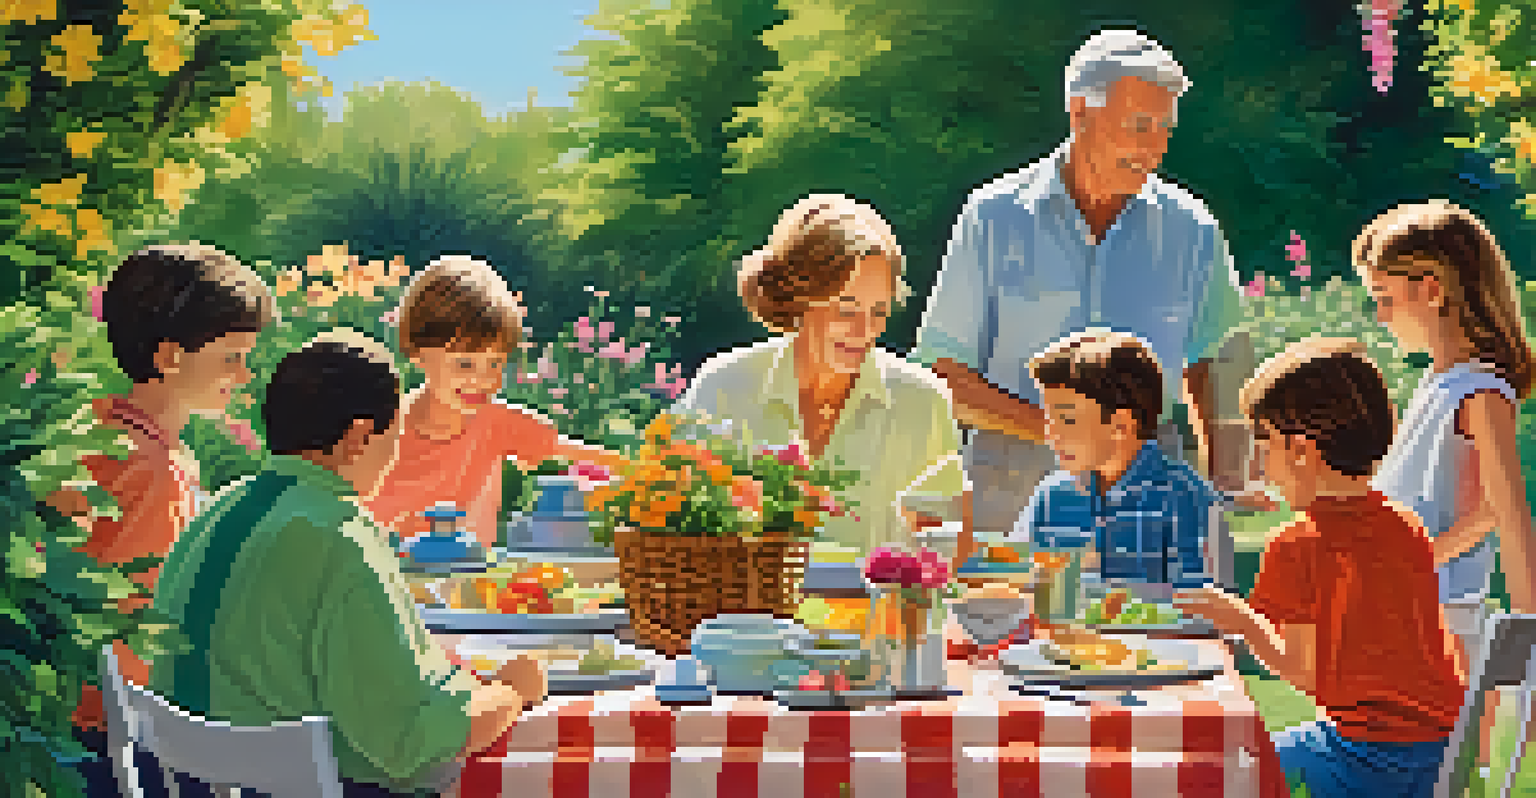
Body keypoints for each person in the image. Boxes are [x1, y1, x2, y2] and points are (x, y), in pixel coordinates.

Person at [152, 329, 545, 797]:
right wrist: (513, 692)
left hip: (198, 781)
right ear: (359, 438)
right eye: (394, 435)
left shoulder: (221, 507)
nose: (395, 453)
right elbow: (410, 739)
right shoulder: (342, 536)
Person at [912, 28, 1253, 541]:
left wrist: (1225, 479)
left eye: (1165, 130)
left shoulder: (1193, 229)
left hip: (1150, 506)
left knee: (1151, 623)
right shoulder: (993, 216)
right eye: (1139, 126)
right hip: (1009, 500)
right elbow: (943, 376)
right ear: (1079, 112)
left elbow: (1219, 371)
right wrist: (1064, 433)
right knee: (1006, 625)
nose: (1155, 148)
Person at [1177, 337, 1465, 798]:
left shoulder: (1296, 545)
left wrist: (1241, 621)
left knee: (1215, 775)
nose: (1262, 467)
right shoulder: (1405, 527)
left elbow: (1303, 672)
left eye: (1265, 445)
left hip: (1361, 761)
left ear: (1300, 450)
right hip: (1440, 755)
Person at [45, 244, 274, 795]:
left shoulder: (103, 427)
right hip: (128, 739)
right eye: (230, 357)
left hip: (72, 720)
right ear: (171, 357)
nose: (244, 375)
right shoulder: (151, 471)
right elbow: (148, 624)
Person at [674, 194, 968, 556]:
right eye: (846, 310)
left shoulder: (924, 402)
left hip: (878, 612)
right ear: (799, 299)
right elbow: (672, 517)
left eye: (879, 312)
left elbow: (950, 548)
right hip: (745, 612)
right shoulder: (722, 386)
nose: (864, 330)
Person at [1352, 199, 1536, 779]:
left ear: (1432, 290)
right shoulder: (1441, 383)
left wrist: (1527, 630)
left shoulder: (1479, 394)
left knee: (1439, 774)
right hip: (1413, 618)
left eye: (1384, 298)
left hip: (1445, 625)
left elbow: (1501, 515)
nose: (1380, 316)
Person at [366, 255, 627, 547]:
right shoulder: (384, 428)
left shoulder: (496, 421)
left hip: (468, 577)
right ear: (416, 353)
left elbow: (571, 450)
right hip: (388, 580)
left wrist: (651, 473)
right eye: (465, 364)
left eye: (495, 364)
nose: (483, 380)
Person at [1012, 329, 1223, 589]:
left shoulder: (1187, 498)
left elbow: (1208, 610)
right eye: (1048, 420)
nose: (1051, 434)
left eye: (1067, 419)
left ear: (1121, 425)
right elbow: (1021, 583)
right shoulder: (1050, 496)